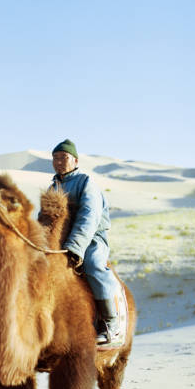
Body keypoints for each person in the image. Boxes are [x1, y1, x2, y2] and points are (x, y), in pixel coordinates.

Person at [50, 139, 119, 344]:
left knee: (93, 265)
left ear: (75, 160)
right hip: (59, 241)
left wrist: (75, 247)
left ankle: (110, 323)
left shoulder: (85, 182)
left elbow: (89, 216)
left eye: (63, 158)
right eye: (55, 158)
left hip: (90, 239)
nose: (59, 162)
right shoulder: (53, 187)